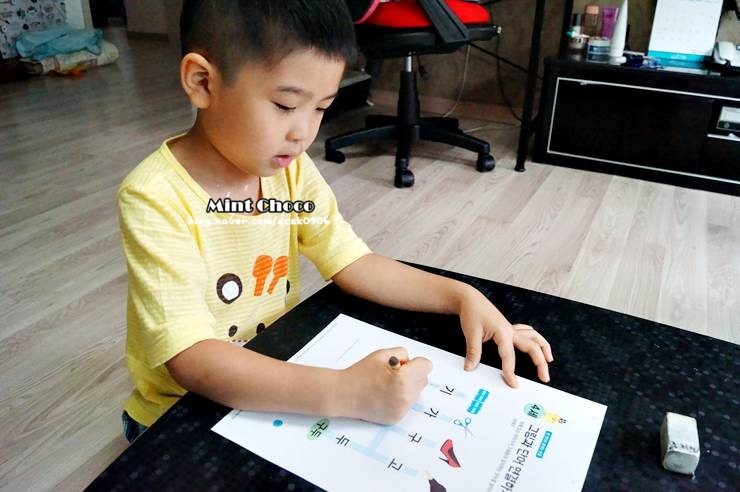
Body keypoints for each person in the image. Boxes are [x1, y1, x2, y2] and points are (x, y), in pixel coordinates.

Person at [118, 0, 553, 443]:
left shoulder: (288, 169)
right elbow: (191, 358)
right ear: (202, 82)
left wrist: (461, 297)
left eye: (321, 108)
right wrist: (346, 393)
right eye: (285, 105)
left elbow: (351, 260)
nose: (303, 133)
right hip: (180, 416)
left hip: (274, 380)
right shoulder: (154, 197)